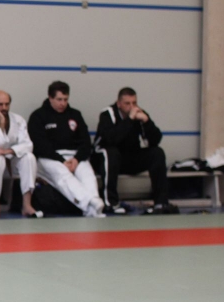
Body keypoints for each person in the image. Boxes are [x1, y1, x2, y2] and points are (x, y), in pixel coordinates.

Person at [28, 81, 104, 217]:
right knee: (62, 175)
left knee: (87, 174)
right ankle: (90, 201)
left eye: (65, 99)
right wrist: (61, 160)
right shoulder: (38, 116)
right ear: (50, 98)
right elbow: (39, 145)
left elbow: (86, 142)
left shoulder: (75, 115)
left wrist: (77, 159)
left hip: (74, 156)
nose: (62, 103)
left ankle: (93, 210)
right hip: (49, 158)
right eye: (59, 99)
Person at [92, 86, 174, 215]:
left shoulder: (139, 114)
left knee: (157, 153)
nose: (131, 107)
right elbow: (111, 139)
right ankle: (111, 203)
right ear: (119, 104)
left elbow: (154, 141)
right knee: (111, 153)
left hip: (128, 159)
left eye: (134, 103)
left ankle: (161, 203)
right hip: (104, 160)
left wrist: (146, 121)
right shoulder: (107, 114)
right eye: (127, 103)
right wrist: (129, 120)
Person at [0, 90, 41, 219]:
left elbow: (28, 145)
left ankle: (27, 204)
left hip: (12, 164)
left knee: (29, 157)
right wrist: (1, 123)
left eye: (7, 104)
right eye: (0, 104)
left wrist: (8, 151)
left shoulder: (18, 120)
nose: (4, 107)